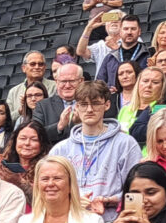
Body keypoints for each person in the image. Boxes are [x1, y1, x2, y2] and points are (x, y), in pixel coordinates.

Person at [49, 80, 143, 212]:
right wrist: (71, 200)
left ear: (107, 105)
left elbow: (138, 190)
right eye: (83, 104)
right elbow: (48, 192)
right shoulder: (60, 149)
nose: (89, 109)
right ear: (76, 107)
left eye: (95, 103)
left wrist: (112, 201)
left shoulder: (126, 144)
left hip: (111, 222)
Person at [33, 61, 83, 146]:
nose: (67, 85)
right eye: (63, 81)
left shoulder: (93, 104)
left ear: (81, 81)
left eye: (72, 81)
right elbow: (35, 134)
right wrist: (59, 126)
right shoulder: (43, 106)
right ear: (56, 82)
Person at [1, 120, 51, 205]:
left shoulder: (48, 168)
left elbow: (46, 202)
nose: (27, 143)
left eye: (34, 139)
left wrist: (20, 182)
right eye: (23, 138)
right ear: (15, 141)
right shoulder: (3, 166)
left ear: (42, 144)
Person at [119, 64, 164, 140]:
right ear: (138, 83)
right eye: (145, 81)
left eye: (155, 82)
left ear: (163, 86)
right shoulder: (125, 109)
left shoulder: (162, 108)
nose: (149, 85)